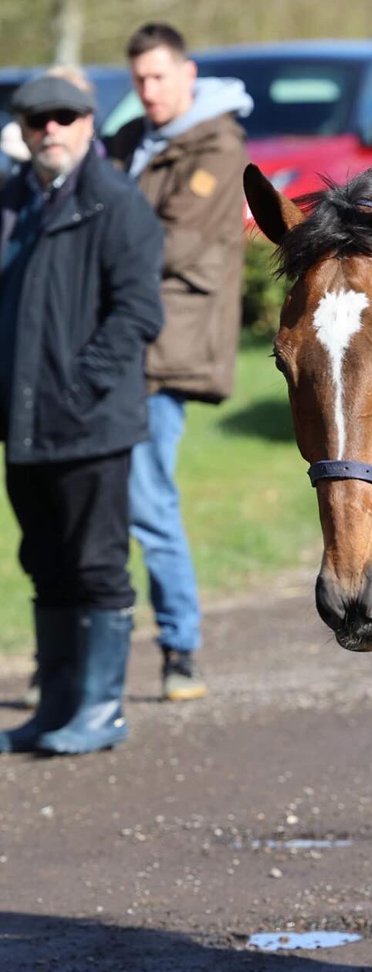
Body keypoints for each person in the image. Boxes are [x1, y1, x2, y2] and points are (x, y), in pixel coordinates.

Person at [0, 73, 163, 755]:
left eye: (64, 118)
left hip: (90, 425)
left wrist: (75, 386)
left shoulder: (114, 202)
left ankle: (100, 709)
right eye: (38, 121)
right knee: (45, 562)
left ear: (89, 123)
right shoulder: (14, 202)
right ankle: (58, 704)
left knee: (97, 566)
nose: (51, 131)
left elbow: (137, 314)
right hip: (25, 425)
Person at [106, 22, 251, 702]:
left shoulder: (216, 144)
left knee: (145, 496)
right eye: (138, 80)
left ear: (188, 74)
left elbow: (168, 243)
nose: (148, 91)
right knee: (96, 498)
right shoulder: (136, 138)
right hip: (111, 341)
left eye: (159, 77)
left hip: (164, 346)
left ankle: (179, 648)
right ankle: (90, 651)